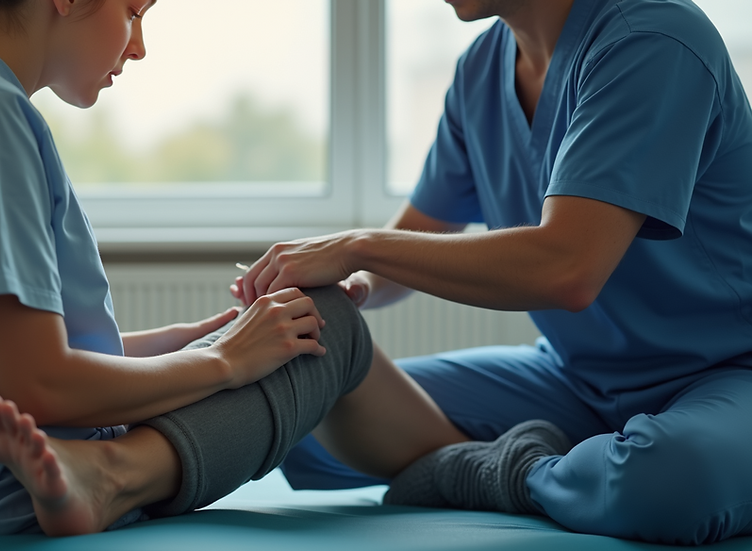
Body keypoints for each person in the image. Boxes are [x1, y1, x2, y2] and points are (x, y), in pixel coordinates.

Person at [0, 0, 471, 537]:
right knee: (326, 316)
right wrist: (226, 361)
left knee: (287, 328)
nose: (139, 45)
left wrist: (194, 336)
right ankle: (487, 473)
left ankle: (477, 468)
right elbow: (39, 385)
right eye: (136, 11)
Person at [235, 0, 752, 545]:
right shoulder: (482, 69)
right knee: (297, 411)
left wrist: (358, 247)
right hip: (575, 378)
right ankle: (570, 468)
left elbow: (567, 268)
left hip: (727, 372)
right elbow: (424, 232)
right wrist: (351, 286)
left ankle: (503, 471)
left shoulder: (653, 39)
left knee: (667, 481)